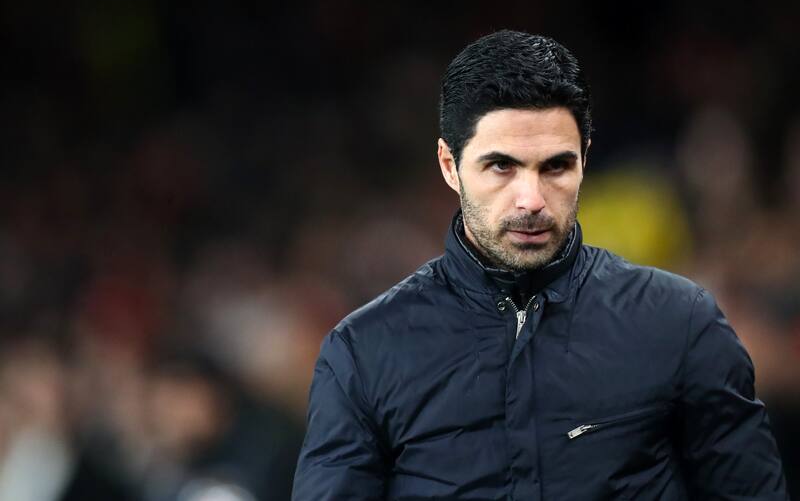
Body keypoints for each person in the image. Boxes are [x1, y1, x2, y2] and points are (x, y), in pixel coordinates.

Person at [291, 30, 789, 500]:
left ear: (584, 160)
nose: (531, 199)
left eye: (555, 166)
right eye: (501, 166)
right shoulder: (364, 352)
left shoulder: (681, 324)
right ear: (450, 166)